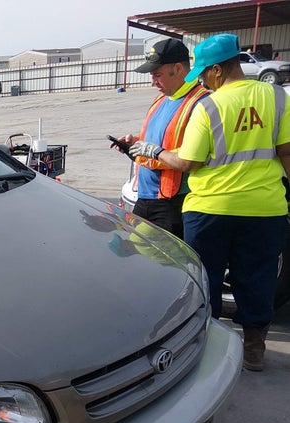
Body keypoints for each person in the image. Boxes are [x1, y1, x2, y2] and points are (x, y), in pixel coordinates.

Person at [130, 33, 290, 371]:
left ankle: (210, 344)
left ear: (217, 69)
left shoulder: (208, 106)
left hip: (210, 210)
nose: (201, 79)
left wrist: (154, 151)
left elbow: (188, 161)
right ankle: (254, 348)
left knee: (206, 280)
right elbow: (287, 152)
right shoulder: (277, 96)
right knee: (258, 278)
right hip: (264, 209)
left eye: (203, 73)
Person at [112, 38, 209, 238]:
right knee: (132, 248)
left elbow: (191, 158)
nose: (153, 81)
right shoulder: (161, 99)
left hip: (172, 203)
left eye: (157, 75)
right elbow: (161, 139)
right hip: (146, 196)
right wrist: (134, 142)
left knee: (163, 256)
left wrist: (152, 152)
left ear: (178, 69)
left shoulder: (201, 103)